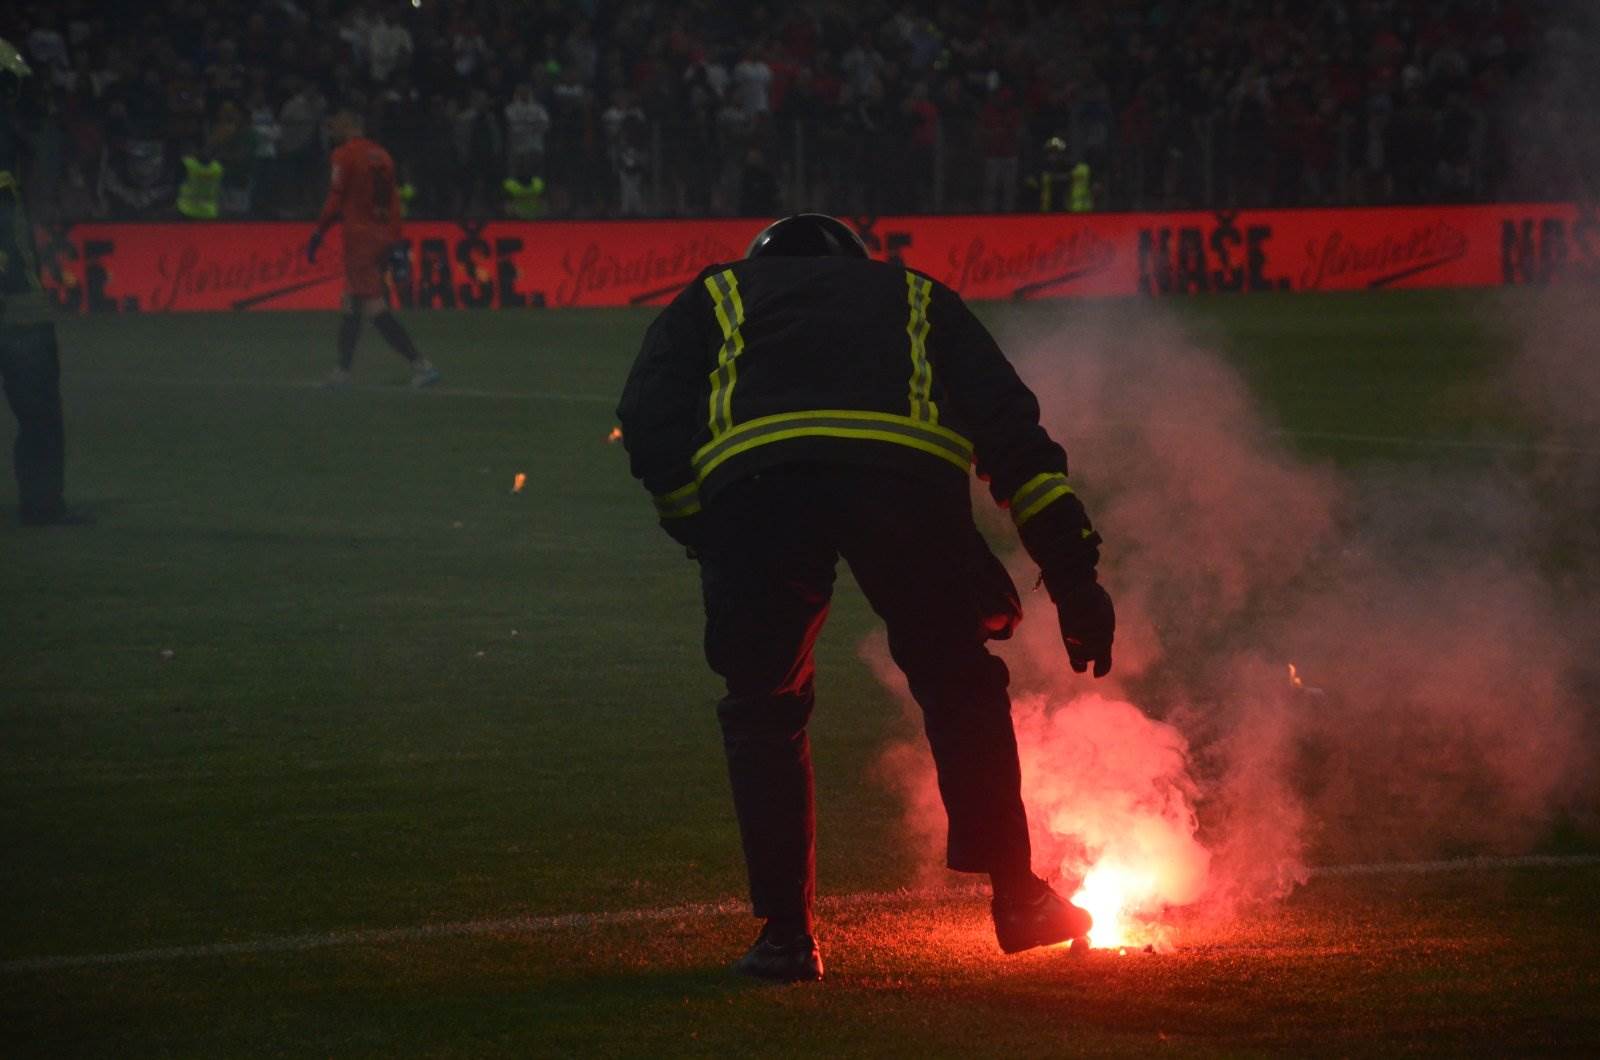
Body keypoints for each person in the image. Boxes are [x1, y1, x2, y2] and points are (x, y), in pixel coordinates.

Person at [617, 214, 1116, 982]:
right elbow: (1016, 443)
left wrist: (703, 527)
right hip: (905, 484)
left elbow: (649, 422)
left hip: (760, 487)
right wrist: (1075, 581)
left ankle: (786, 939)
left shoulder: (717, 292)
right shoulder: (918, 295)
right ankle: (1018, 898)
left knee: (765, 704)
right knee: (958, 681)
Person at [0, 39, 85, 527]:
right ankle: (43, 506)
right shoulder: (13, 136)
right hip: (17, 300)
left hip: (19, 294)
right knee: (38, 409)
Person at [306, 108, 437, 388]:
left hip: (360, 238)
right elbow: (393, 202)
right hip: (382, 235)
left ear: (351, 125)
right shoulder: (384, 156)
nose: (332, 130)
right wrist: (397, 240)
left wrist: (319, 230)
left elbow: (335, 197)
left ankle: (421, 365)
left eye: (336, 125)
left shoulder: (344, 155)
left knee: (373, 307)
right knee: (352, 303)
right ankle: (342, 371)